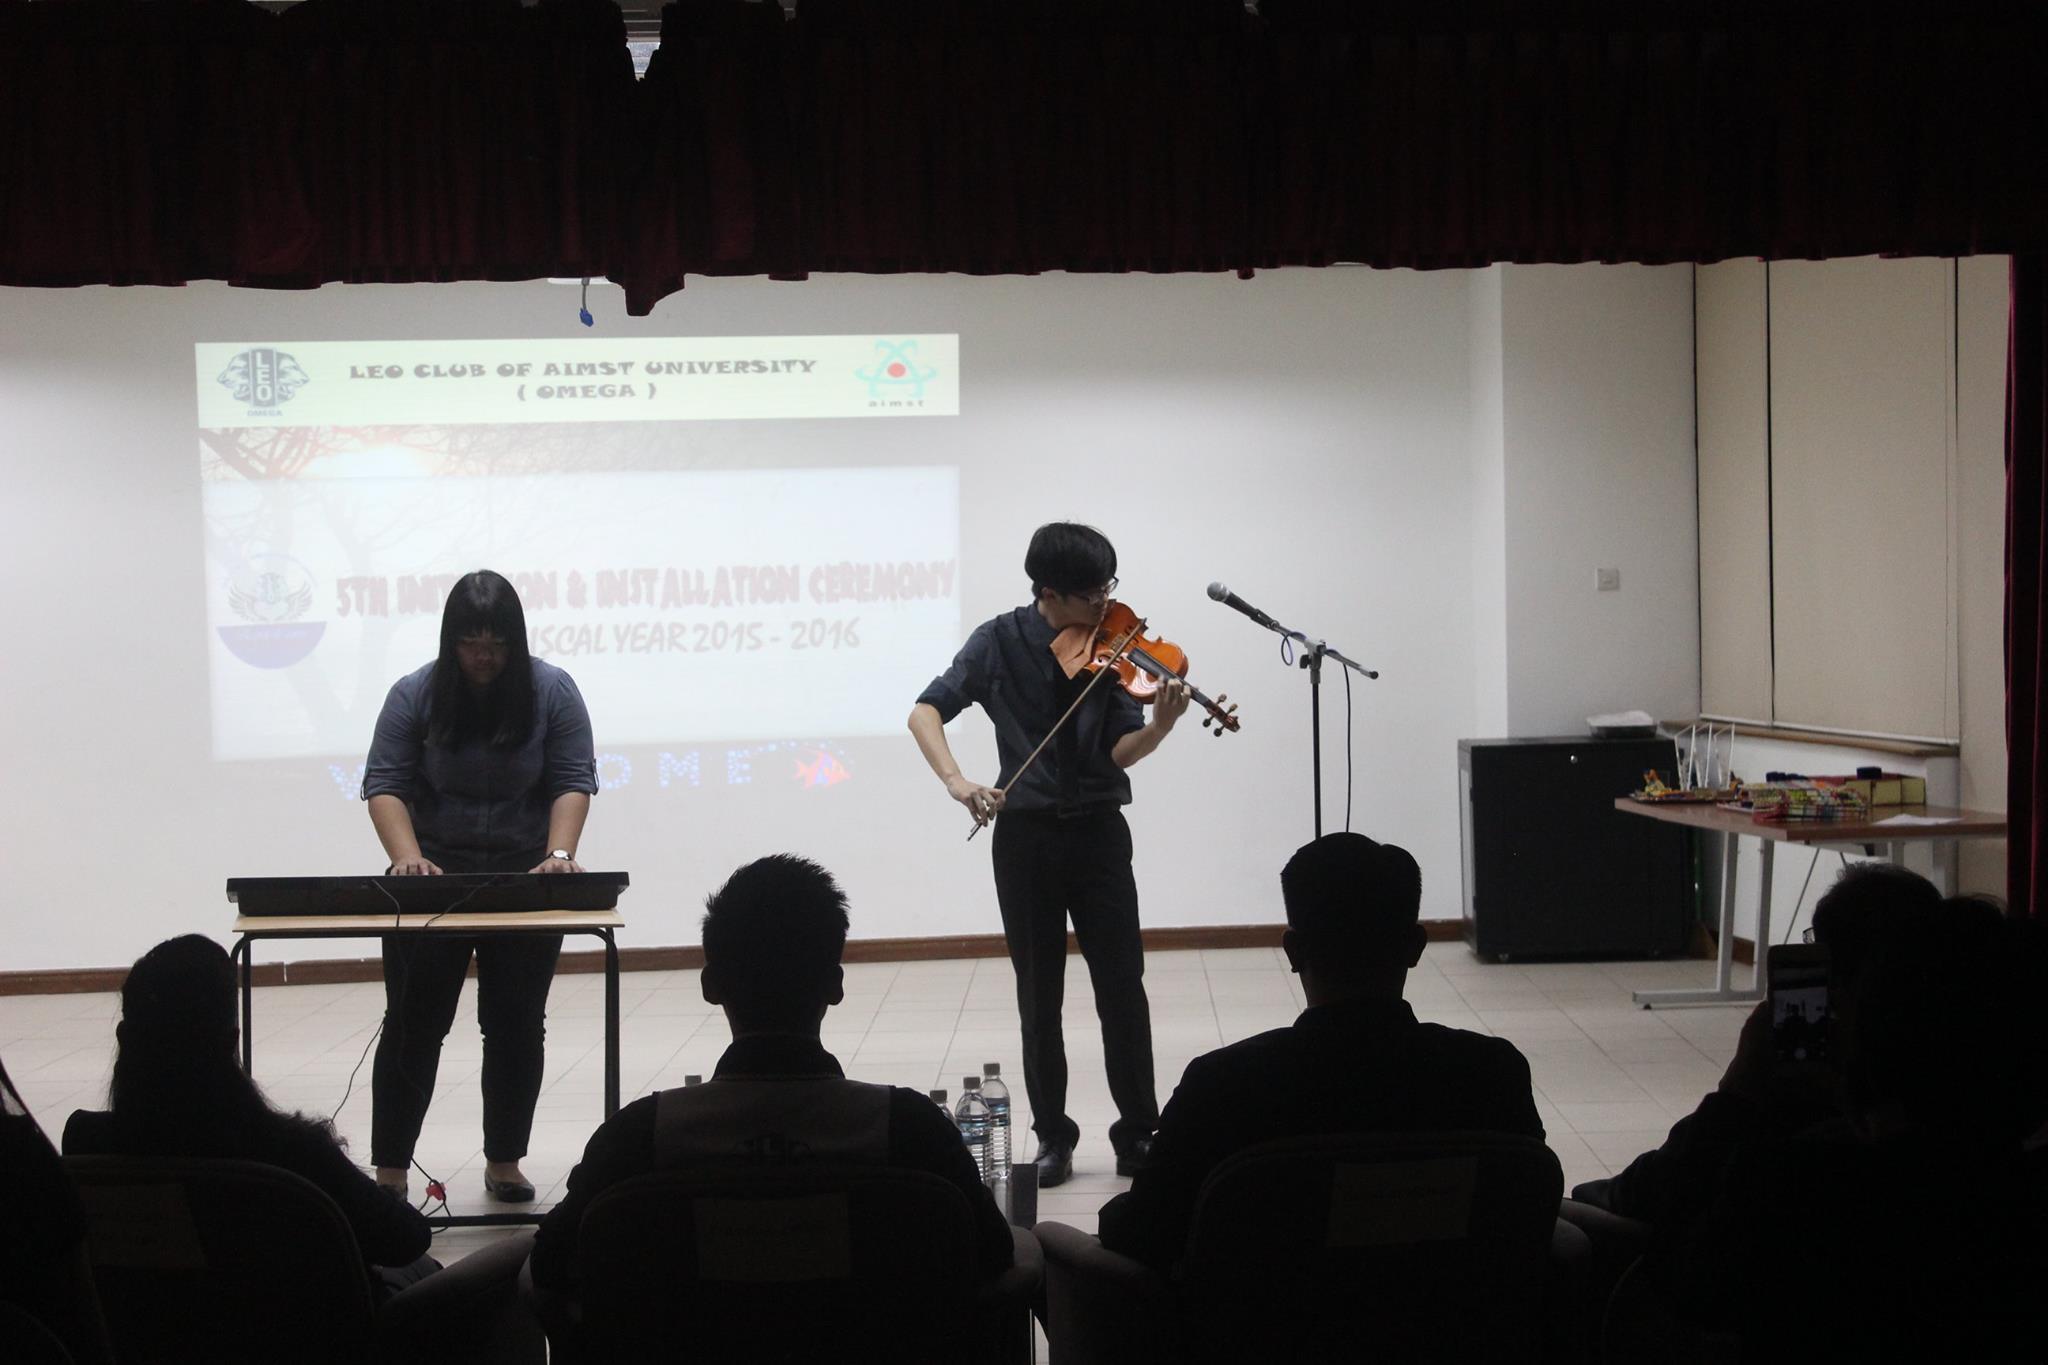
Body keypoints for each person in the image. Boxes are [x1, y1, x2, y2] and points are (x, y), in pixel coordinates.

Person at [528, 855, 1013, 1303]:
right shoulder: (911, 1130)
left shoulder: (639, 1137)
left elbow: (550, 1263)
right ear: (836, 985)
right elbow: (995, 1252)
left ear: (711, 986)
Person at [1096, 832, 1545, 1271]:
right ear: (1415, 947)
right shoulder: (1492, 1074)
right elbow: (1529, 1216)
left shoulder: (1221, 1088)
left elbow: (1142, 1233)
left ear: (1293, 952)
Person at [908, 522, 1191, 1186]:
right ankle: (1053, 1138)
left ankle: (1138, 1132)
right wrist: (957, 780)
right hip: (1026, 838)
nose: (1104, 604)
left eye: (1107, 589)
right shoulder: (998, 641)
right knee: (1039, 994)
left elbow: (1119, 751)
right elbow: (925, 711)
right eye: (1090, 594)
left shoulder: (1114, 647)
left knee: (1122, 986)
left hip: (1098, 834)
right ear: (1048, 593)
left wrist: (1159, 726)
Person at [361, 569, 599, 1201]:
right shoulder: (413, 693)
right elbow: (385, 784)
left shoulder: (552, 691)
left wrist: (559, 854)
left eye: (496, 642)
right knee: (413, 1025)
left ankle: (504, 1162)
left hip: (523, 877)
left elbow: (572, 778)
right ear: (452, 641)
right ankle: (390, 1173)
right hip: (433, 880)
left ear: (515, 641)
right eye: (471, 642)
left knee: (516, 1024)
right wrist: (408, 859)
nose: (484, 656)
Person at [62, 935, 434, 1291]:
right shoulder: (296, 1153)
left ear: (125, 1036)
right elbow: (405, 1239)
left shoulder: (86, 1142)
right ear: (231, 1040)